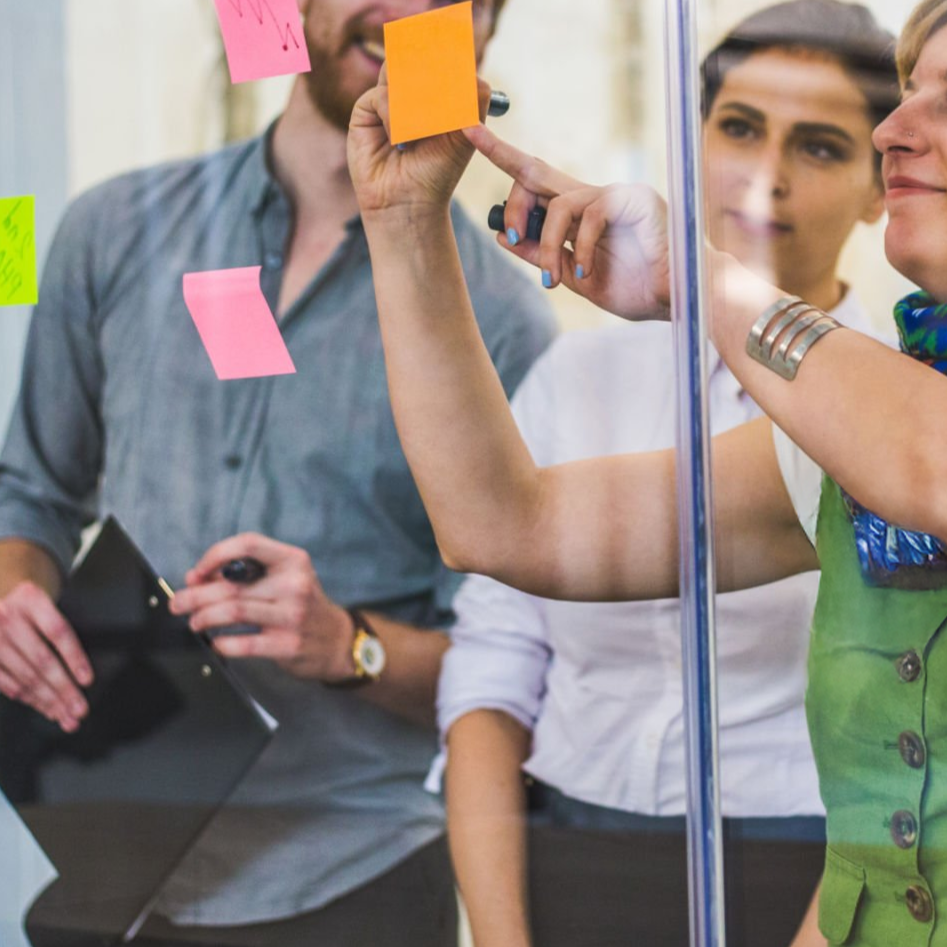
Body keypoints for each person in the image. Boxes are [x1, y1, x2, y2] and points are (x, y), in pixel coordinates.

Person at [346, 0, 947, 941]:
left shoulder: (891, 422)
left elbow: (924, 460)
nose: (895, 132)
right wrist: (404, 218)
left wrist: (695, 275)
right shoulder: (855, 425)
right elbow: (505, 528)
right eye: (912, 94)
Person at [0, 0, 554, 945]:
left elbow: (514, 670)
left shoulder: (504, 323)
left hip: (353, 875)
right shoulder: (113, 230)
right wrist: (14, 593)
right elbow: (33, 491)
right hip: (107, 845)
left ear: (484, 34)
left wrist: (350, 644)